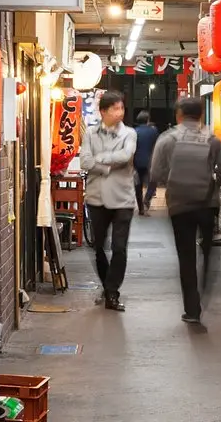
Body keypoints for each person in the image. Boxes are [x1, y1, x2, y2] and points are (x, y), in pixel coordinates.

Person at [150, 96, 221, 324]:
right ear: (201, 115)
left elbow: (156, 173)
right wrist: (211, 178)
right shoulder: (213, 139)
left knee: (186, 256)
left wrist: (173, 179)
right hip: (207, 205)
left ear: (178, 114)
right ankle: (205, 291)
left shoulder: (167, 139)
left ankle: (192, 308)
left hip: (179, 205)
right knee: (207, 253)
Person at [79, 91, 136, 311]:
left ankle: (112, 292)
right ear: (103, 111)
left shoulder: (129, 133)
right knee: (98, 246)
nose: (119, 112)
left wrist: (99, 159)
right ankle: (107, 285)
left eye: (122, 108)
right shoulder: (91, 134)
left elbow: (126, 155)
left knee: (120, 247)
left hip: (123, 198)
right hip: (97, 197)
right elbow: (84, 161)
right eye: (115, 109)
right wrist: (107, 166)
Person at [132, 111, 159, 216]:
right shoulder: (153, 131)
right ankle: (147, 198)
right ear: (148, 120)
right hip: (151, 161)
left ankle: (141, 208)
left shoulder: (134, 131)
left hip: (137, 161)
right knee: (153, 182)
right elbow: (157, 145)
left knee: (138, 185)